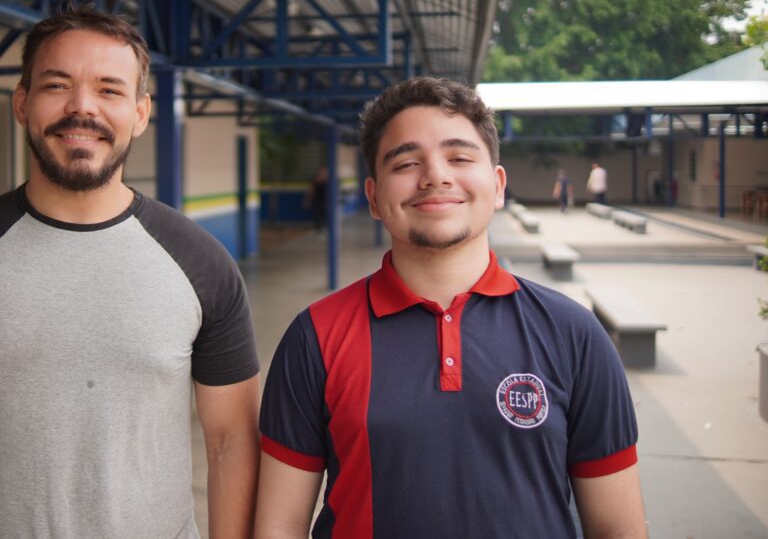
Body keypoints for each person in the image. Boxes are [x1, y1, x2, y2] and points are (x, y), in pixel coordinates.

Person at [0, 4, 261, 538]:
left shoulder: (202, 263)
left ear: (141, 112)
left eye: (109, 90)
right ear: (22, 103)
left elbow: (233, 439)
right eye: (57, 85)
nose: (82, 108)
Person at [255, 78, 646, 538]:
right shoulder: (316, 337)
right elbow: (278, 527)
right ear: (374, 197)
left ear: (498, 186)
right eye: (405, 162)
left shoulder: (574, 335)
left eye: (459, 157)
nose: (435, 175)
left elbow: (619, 528)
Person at [307, 165, 329, 231]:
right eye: (321, 171)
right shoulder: (315, 180)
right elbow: (311, 190)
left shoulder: (328, 180)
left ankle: (323, 227)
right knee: (317, 215)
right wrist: (308, 199)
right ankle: (319, 228)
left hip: (325, 201)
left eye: (324, 171)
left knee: (324, 214)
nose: (323, 173)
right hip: (317, 201)